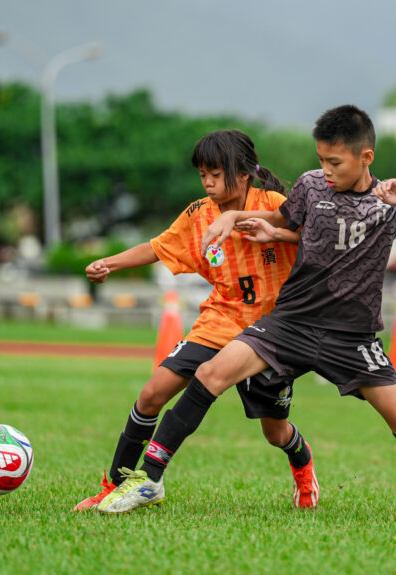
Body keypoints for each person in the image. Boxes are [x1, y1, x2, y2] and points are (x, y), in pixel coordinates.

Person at [97, 105, 396, 523]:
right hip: (290, 323)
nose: (326, 169)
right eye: (321, 159)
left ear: (365, 157)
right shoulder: (312, 186)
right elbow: (281, 219)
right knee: (211, 375)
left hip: (351, 337)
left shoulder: (390, 200)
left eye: (335, 162)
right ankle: (150, 479)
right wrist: (243, 219)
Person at [74, 130, 320, 511]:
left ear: (241, 173)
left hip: (271, 332)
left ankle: (301, 461)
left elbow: (311, 240)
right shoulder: (198, 213)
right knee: (152, 394)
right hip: (219, 322)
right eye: (202, 173)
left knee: (274, 432)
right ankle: (115, 485)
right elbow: (158, 247)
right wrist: (111, 263)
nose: (206, 182)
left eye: (214, 173)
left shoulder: (273, 204)